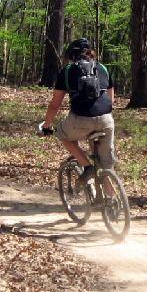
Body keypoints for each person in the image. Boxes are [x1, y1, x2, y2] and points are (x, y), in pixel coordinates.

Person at [39, 38, 116, 186]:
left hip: (80, 119)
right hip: (106, 119)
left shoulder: (67, 71)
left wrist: (47, 126)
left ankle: (86, 167)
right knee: (105, 165)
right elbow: (110, 100)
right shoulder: (102, 68)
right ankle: (113, 203)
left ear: (71, 55)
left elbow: (55, 105)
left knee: (62, 134)